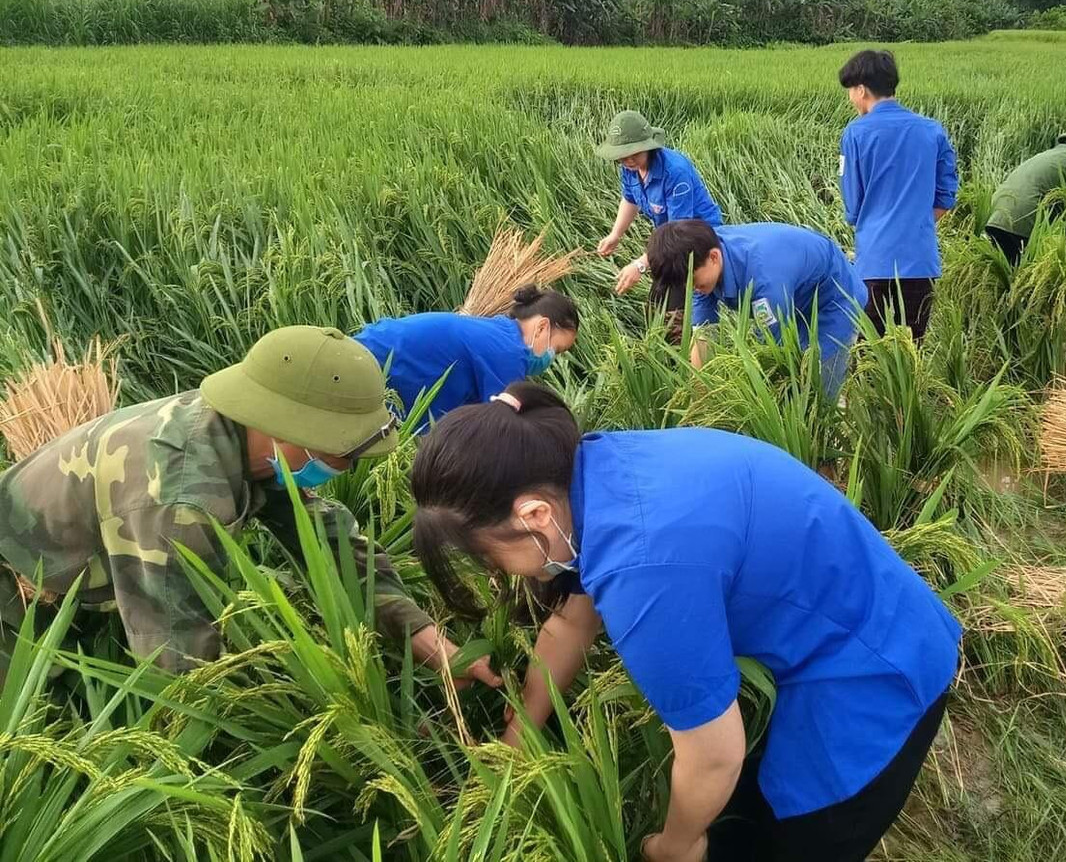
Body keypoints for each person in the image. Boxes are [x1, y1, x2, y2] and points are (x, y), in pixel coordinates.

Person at [411, 382, 962, 862]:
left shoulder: (645, 570)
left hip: (880, 668)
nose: (496, 573)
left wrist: (673, 845)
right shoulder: (596, 474)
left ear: (533, 515)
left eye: (489, 558)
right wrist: (518, 737)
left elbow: (714, 756)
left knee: (785, 840)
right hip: (862, 608)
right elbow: (570, 626)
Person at [0, 325, 497, 689]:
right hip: (13, 582)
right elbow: (178, 666)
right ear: (288, 428)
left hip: (76, 565)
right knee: (31, 722)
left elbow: (332, 547)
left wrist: (432, 645)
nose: (345, 469)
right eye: (341, 452)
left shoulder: (248, 437)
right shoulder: (182, 502)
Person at [644, 220, 867, 398]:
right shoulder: (697, 263)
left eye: (693, 282)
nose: (692, 290)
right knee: (799, 377)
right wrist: (700, 394)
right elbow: (703, 334)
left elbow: (773, 354)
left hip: (834, 299)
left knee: (823, 384)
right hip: (797, 297)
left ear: (714, 257)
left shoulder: (764, 282)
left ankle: (836, 442)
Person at [838, 49, 958, 339]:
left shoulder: (856, 134)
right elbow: (946, 196)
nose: (851, 99)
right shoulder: (933, 131)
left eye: (850, 92)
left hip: (874, 260)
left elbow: (852, 205)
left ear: (861, 90)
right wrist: (915, 222)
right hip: (920, 258)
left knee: (869, 349)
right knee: (913, 346)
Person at [355, 286, 579, 426]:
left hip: (374, 346)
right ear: (542, 327)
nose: (551, 359)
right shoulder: (508, 353)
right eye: (556, 350)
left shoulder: (500, 329)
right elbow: (500, 425)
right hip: (373, 363)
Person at [594, 110, 724, 295]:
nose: (628, 160)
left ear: (648, 146)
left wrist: (639, 265)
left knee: (688, 294)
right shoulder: (631, 168)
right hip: (670, 240)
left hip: (698, 239)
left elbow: (678, 232)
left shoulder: (675, 172)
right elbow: (630, 199)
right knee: (660, 297)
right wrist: (615, 235)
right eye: (622, 156)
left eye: (634, 153)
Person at [985, 122, 1066, 267]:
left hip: (996, 218)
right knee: (1028, 280)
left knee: (1007, 279)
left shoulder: (1046, 155)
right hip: (1024, 225)